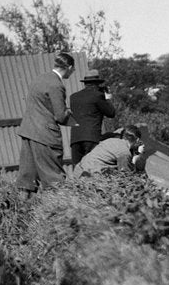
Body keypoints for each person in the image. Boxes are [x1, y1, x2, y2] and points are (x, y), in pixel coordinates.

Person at [15, 52, 76, 199]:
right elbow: (61, 116)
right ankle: (59, 214)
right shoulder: (57, 85)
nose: (73, 72)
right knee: (54, 179)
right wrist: (71, 114)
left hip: (28, 133)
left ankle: (19, 215)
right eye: (73, 69)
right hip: (45, 136)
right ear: (69, 67)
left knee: (26, 181)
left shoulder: (39, 79)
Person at [69, 69, 116, 166]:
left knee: (77, 169)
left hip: (75, 138)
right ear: (97, 84)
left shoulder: (73, 97)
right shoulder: (98, 96)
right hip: (91, 137)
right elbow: (111, 113)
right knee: (91, 167)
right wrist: (107, 99)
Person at [74, 125, 146, 177]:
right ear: (137, 140)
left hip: (78, 171)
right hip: (91, 175)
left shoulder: (110, 140)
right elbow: (126, 175)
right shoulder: (125, 152)